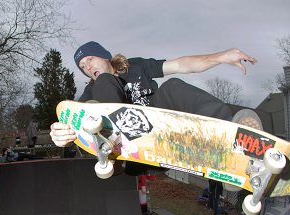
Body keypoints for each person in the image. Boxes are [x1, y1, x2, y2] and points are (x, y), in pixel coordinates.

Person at [50, 41, 262, 147]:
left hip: (159, 130)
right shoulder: (91, 91)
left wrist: (221, 57)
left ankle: (234, 135)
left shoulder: (136, 66)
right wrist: (61, 134)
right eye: (82, 66)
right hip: (124, 146)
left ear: (106, 57)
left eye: (90, 60)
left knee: (173, 86)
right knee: (101, 87)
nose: (87, 67)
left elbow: (181, 64)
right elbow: (73, 119)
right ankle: (113, 136)